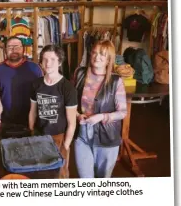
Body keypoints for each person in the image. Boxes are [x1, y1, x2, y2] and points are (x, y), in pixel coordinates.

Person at [73, 40, 127, 178]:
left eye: (102, 54)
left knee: (103, 181)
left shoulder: (116, 81)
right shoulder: (79, 74)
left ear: (109, 60)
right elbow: (70, 103)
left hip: (106, 137)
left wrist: (101, 117)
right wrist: (78, 115)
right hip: (82, 135)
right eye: (95, 52)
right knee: (85, 180)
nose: (97, 57)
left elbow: (122, 112)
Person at [29, 45, 77, 178]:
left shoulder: (67, 88)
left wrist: (65, 146)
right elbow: (32, 111)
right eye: (44, 59)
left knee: (59, 176)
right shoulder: (36, 84)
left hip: (59, 138)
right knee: (38, 173)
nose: (48, 63)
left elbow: (72, 122)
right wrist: (32, 131)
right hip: (39, 136)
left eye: (52, 59)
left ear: (60, 62)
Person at [0, 36, 43, 126]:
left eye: (17, 47)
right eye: (10, 47)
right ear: (5, 50)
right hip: (6, 121)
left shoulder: (34, 68)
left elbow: (41, 94)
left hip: (31, 121)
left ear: (23, 49)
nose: (14, 50)